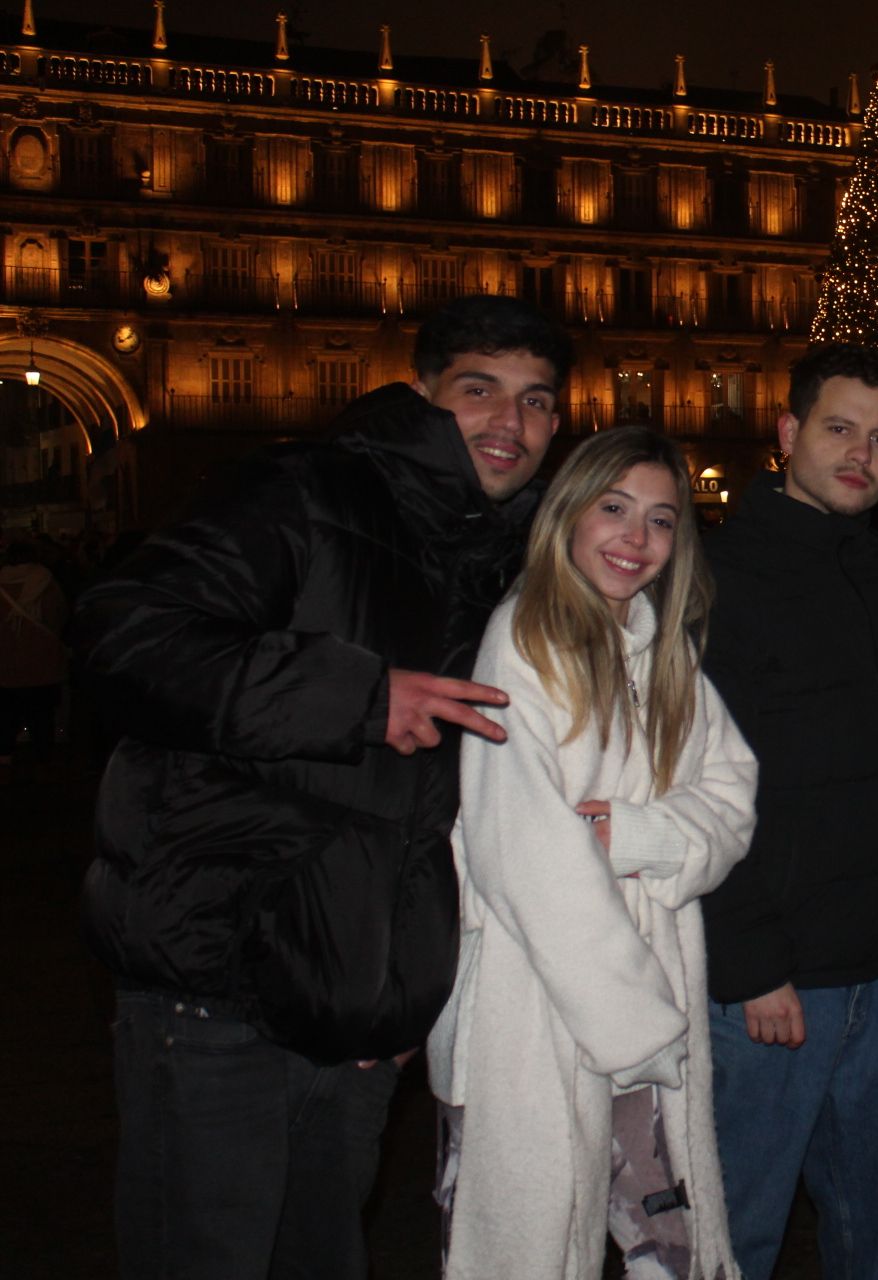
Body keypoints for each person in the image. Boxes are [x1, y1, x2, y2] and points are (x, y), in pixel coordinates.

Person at [72, 295, 571, 1279]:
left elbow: (445, 808)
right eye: (479, 390)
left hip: (355, 1015)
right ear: (424, 393)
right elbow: (123, 633)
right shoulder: (302, 490)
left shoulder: (505, 562)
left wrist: (398, 989)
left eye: (537, 400)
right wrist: (354, 695)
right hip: (216, 985)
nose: (509, 422)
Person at [427, 427, 755, 1280]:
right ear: (568, 512)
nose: (635, 539)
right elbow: (524, 850)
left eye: (660, 519)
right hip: (537, 1003)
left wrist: (640, 835)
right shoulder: (525, 639)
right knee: (530, 1240)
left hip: (646, 992)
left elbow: (732, 798)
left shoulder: (664, 648)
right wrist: (636, 1024)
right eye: (614, 509)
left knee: (670, 1247)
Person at [699, 343, 878, 1279]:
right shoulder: (719, 578)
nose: (861, 455)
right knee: (735, 1229)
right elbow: (694, 782)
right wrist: (750, 961)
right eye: (840, 429)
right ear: (788, 431)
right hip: (774, 980)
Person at [0, 539, 69, 785]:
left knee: (6, 716)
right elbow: (58, 617)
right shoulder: (46, 582)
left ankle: (5, 759)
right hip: (42, 663)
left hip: (5, 664)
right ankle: (43, 761)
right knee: (41, 715)